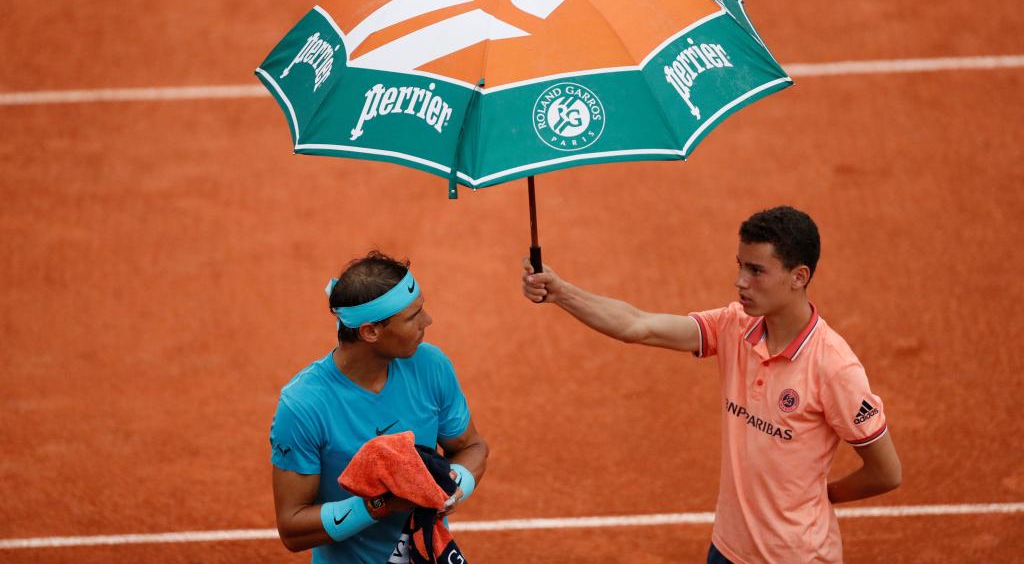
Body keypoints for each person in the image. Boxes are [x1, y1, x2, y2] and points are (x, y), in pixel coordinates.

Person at [522, 206, 901, 564]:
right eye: (740, 266)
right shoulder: (735, 325)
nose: (740, 282)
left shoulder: (834, 367)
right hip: (726, 548)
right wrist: (560, 292)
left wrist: (820, 497)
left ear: (798, 277)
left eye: (756, 270)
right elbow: (637, 325)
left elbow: (886, 472)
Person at [270, 251, 489, 563]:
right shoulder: (303, 405)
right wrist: (382, 504)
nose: (427, 321)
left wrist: (452, 487)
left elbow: (472, 446)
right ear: (370, 331)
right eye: (413, 317)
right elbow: (292, 527)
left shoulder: (431, 365)